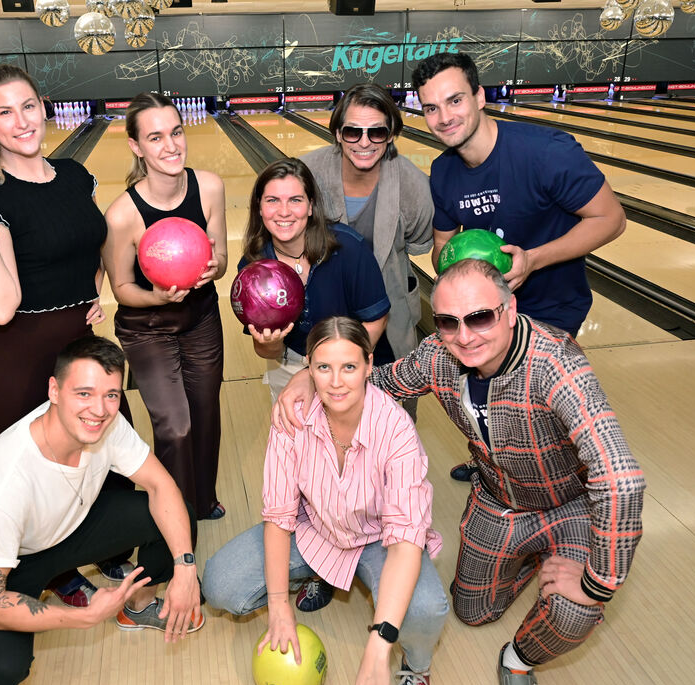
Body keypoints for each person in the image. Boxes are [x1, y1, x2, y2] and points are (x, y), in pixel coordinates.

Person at [275, 261, 646, 685]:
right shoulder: (439, 354)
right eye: (448, 322)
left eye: (480, 317)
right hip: (499, 498)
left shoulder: (556, 365)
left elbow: (621, 479)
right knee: (472, 611)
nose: (464, 336)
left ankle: (518, 659)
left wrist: (596, 583)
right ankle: (533, 558)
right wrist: (309, 376)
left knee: (575, 610)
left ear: (510, 310)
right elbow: (373, 380)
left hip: (571, 503)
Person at [0, 64, 135, 606]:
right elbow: (0, 307)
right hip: (16, 349)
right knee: (40, 468)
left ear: (44, 106)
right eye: (4, 112)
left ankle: (108, 541)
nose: (21, 121)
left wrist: (93, 291)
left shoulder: (75, 175)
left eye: (27, 106)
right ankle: (54, 569)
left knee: (109, 442)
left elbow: (89, 243)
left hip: (78, 343)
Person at [411, 51, 627, 481]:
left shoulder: (546, 152)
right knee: (486, 401)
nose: (444, 117)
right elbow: (441, 248)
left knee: (546, 413)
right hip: (484, 314)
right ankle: (495, 467)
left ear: (480, 96)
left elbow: (611, 219)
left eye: (455, 100)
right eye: (431, 108)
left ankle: (567, 492)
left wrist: (533, 259)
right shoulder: (443, 172)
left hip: (550, 307)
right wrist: (457, 262)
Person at [204, 317, 447, 685]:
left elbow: (404, 542)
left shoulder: (396, 429)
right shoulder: (292, 416)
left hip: (379, 540)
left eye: (349, 366)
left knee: (425, 609)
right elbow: (279, 518)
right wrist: (279, 607)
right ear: (308, 368)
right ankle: (319, 572)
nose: (336, 382)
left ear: (369, 364)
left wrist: (378, 646)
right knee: (219, 584)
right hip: (314, 529)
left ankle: (416, 667)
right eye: (323, 367)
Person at [0, 335, 202, 685]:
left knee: (178, 516)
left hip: (71, 528)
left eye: (111, 395)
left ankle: (139, 606)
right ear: (54, 390)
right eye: (84, 393)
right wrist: (84, 617)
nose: (99, 409)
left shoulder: (107, 425)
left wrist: (185, 568)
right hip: (13, 561)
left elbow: (161, 486)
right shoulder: (1, 485)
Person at [102, 92, 228, 521]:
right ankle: (175, 515)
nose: (171, 146)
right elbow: (122, 288)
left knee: (205, 415)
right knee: (176, 425)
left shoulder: (209, 187)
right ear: (136, 146)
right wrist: (156, 296)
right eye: (155, 137)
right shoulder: (122, 215)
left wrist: (213, 268)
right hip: (147, 325)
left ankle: (202, 500)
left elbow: (221, 256)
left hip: (201, 317)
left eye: (176, 132)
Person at [299, 83, 433, 375]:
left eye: (376, 132)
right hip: (323, 318)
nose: (364, 142)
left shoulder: (414, 186)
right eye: (352, 131)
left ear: (391, 135)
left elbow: (419, 241)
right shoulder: (306, 174)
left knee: (390, 400)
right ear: (338, 133)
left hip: (390, 316)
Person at [239, 157, 391, 403]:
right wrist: (270, 342)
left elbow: (376, 320)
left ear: (311, 206)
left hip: (352, 361)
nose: (284, 211)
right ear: (259, 207)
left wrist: (329, 369)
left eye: (295, 200)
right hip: (288, 364)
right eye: (272, 200)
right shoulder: (253, 268)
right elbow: (267, 351)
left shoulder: (349, 249)